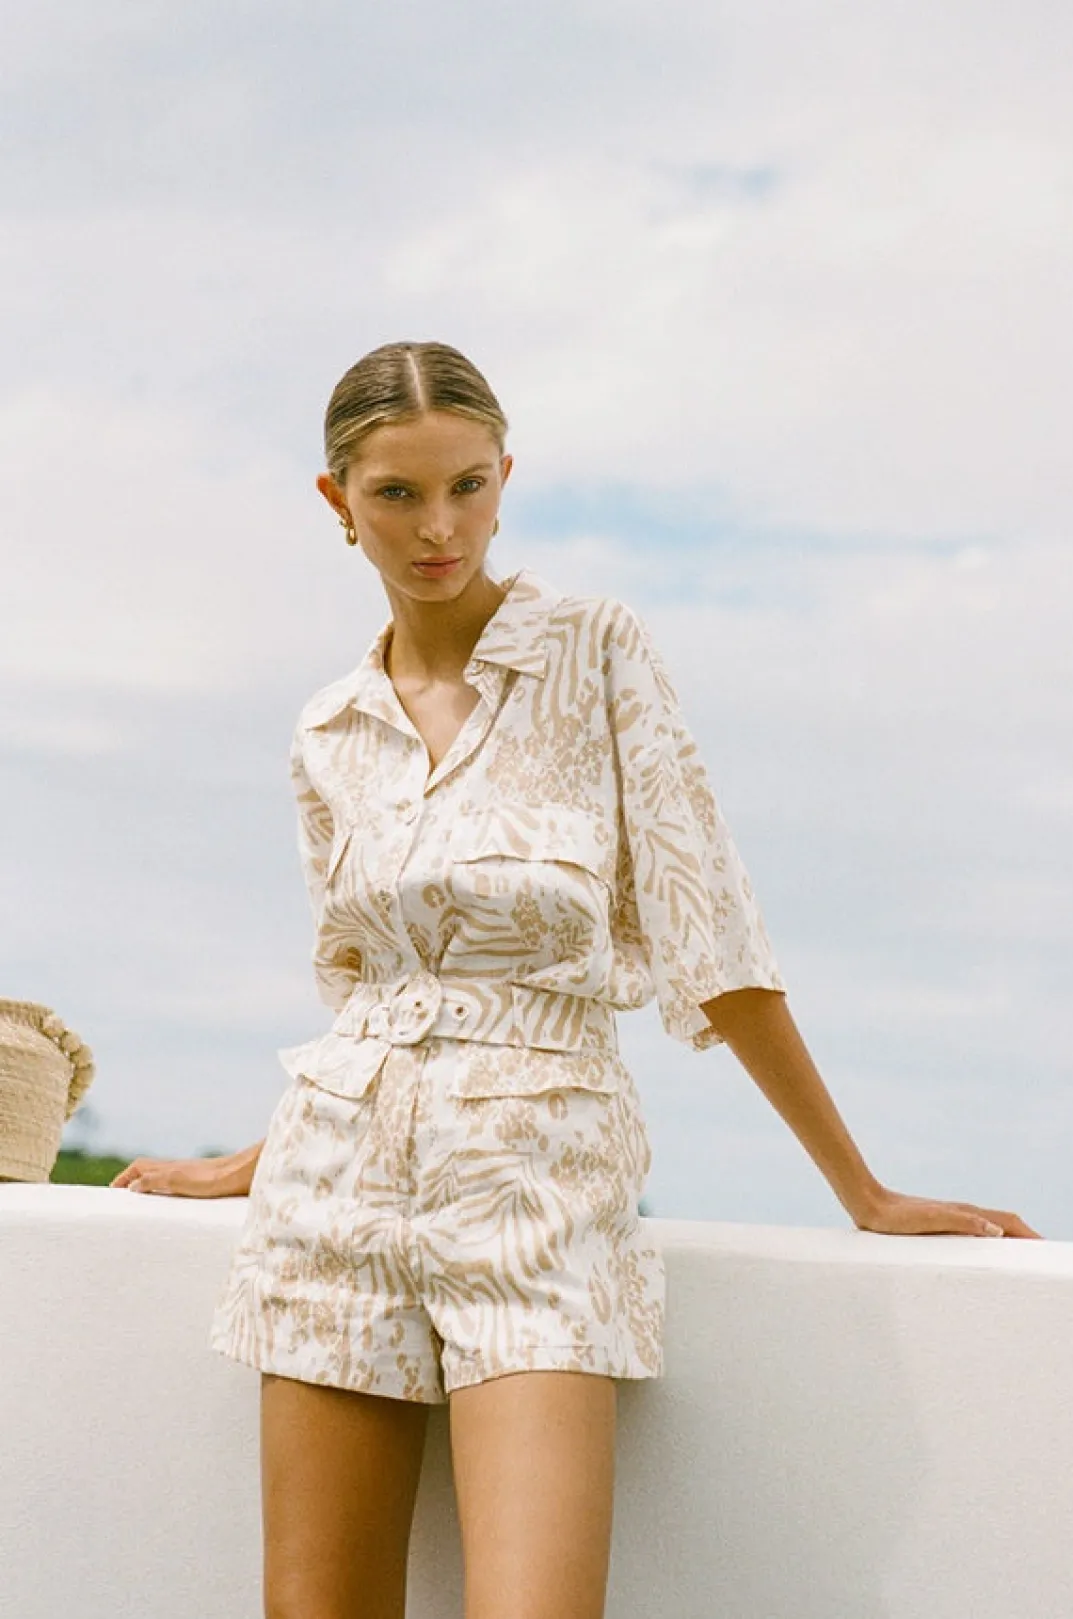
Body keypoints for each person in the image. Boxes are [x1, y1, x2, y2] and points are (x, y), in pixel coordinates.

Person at [110, 340, 1041, 1619]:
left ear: (505, 478)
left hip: (540, 1192)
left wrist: (861, 1188)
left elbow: (710, 928)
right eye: (395, 494)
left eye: (466, 485)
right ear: (337, 501)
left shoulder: (596, 652)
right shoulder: (328, 728)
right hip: (332, 1197)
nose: (438, 527)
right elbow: (368, 994)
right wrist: (258, 1156)